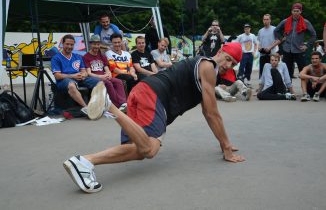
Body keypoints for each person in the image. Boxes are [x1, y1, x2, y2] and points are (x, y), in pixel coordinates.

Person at [63, 42, 246, 193]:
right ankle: (110, 106)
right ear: (220, 51)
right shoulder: (208, 66)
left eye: (233, 64)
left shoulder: (206, 69)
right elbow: (212, 113)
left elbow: (208, 111)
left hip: (143, 91)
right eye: (228, 59)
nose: (228, 65)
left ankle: (84, 162)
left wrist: (225, 144)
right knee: (150, 149)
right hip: (154, 94)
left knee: (138, 149)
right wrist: (226, 147)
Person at [51, 34, 100, 110]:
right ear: (62, 44)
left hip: (79, 79)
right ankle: (86, 108)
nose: (69, 47)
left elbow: (84, 71)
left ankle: (96, 106)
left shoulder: (77, 56)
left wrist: (83, 75)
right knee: (71, 85)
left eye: (72, 45)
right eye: (67, 44)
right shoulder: (56, 58)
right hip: (64, 81)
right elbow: (57, 76)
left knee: (99, 82)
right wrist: (73, 76)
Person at [82, 34, 127, 112]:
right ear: (90, 44)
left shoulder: (102, 56)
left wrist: (108, 74)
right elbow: (89, 73)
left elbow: (107, 69)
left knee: (118, 81)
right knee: (108, 83)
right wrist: (101, 77)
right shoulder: (86, 57)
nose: (96, 46)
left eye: (98, 44)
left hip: (104, 76)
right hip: (94, 78)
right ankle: (116, 105)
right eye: (94, 44)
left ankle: (123, 103)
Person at [274, 3, 316, 78]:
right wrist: (281, 39)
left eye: (297, 11)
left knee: (303, 71)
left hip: (299, 50)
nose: (295, 12)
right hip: (287, 49)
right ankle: (288, 88)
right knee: (286, 71)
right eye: (294, 11)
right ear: (291, 11)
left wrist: (307, 45)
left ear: (301, 11)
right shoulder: (285, 21)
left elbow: (313, 35)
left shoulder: (306, 22)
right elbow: (276, 30)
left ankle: (306, 88)